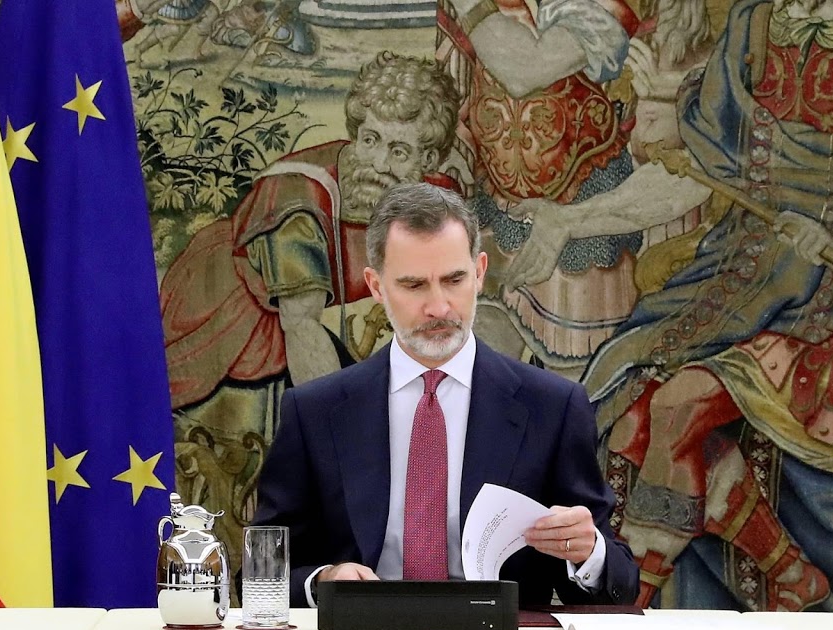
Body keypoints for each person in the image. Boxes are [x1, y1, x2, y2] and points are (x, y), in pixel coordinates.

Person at [508, 0, 833, 612]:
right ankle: (790, 573)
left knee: (677, 404)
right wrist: (573, 219)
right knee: (628, 405)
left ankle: (632, 605)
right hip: (734, 271)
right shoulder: (754, 22)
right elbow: (698, 171)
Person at [251, 183, 640, 608]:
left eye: (454, 280)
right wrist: (325, 580)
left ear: (480, 272)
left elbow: (618, 584)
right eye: (414, 285)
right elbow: (261, 572)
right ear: (376, 286)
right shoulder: (313, 411)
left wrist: (588, 553)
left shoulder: (553, 407)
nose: (439, 307)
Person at [160, 51, 461, 412]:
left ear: (427, 161)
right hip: (236, 316)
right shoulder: (299, 198)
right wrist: (337, 429)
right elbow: (300, 324)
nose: (379, 164)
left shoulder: (434, 198)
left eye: (398, 151)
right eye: (370, 140)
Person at [435, 0, 644, 377]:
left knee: (575, 376)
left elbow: (524, 70)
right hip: (497, 207)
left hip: (579, 206)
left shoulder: (600, 5)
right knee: (478, 367)